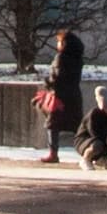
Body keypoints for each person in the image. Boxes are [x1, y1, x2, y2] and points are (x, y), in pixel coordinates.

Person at [40, 27, 88, 163]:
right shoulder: (78, 58)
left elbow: (57, 77)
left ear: (64, 43)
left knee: (52, 125)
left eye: (59, 41)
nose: (58, 44)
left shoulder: (61, 57)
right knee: (77, 126)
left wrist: (47, 82)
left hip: (60, 96)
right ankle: (86, 150)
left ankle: (53, 153)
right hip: (74, 96)